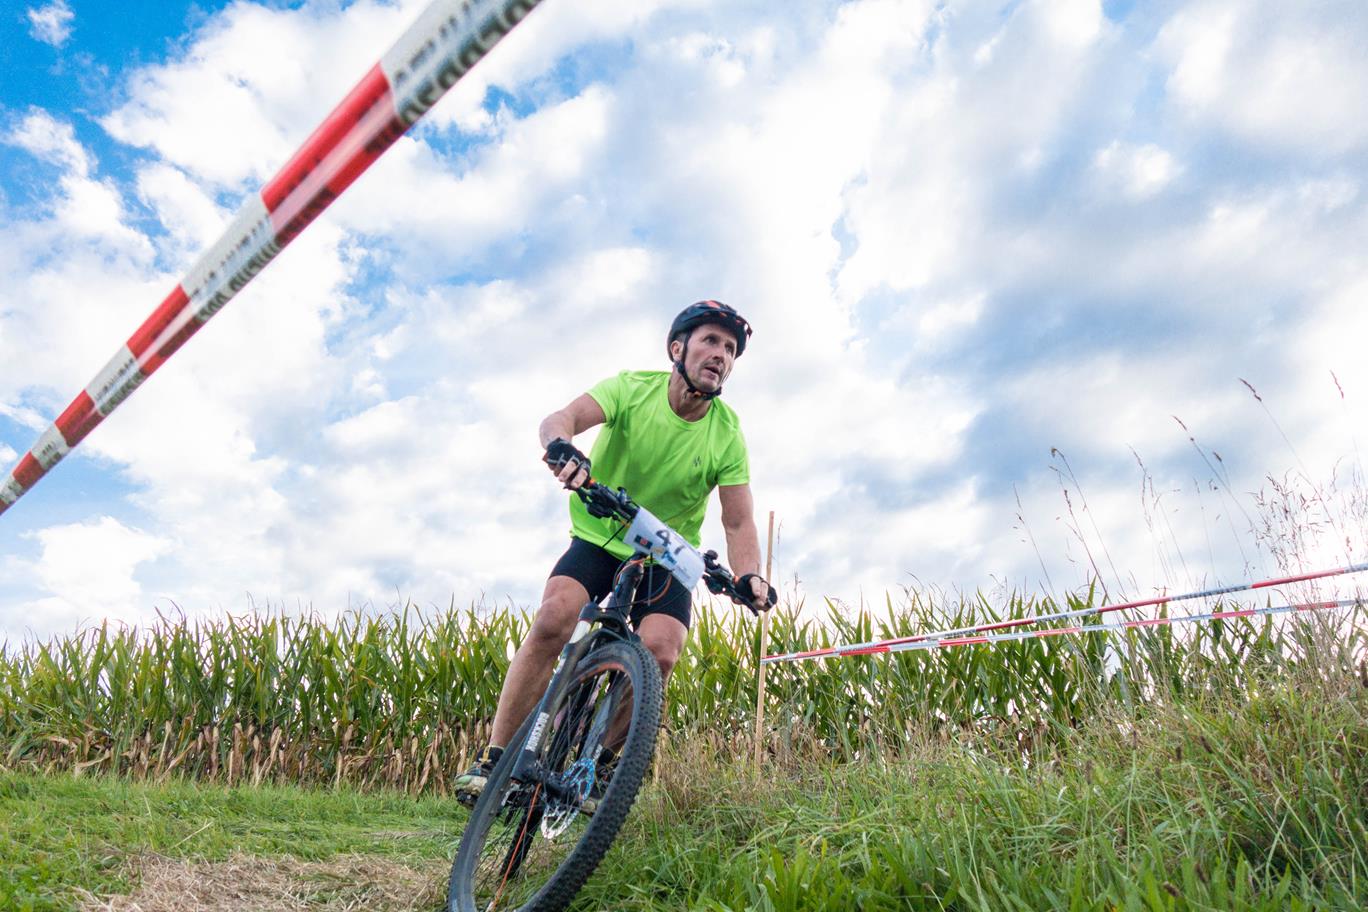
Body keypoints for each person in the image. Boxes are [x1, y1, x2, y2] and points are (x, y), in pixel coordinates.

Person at [456, 300, 776, 797]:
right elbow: (562, 418)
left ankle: (596, 769)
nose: (722, 354)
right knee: (555, 617)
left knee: (660, 652)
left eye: (731, 349)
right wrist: (561, 446)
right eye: (711, 341)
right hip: (600, 531)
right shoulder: (631, 388)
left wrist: (749, 574)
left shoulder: (728, 433)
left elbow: (737, 521)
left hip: (666, 553)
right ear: (678, 349)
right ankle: (494, 760)